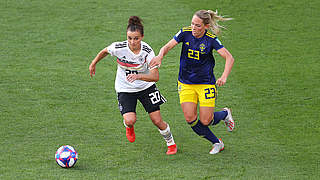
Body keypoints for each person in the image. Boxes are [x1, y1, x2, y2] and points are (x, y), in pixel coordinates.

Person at [149, 10, 235, 154]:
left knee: (206, 120)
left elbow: (229, 58)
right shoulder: (185, 32)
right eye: (192, 24)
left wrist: (224, 76)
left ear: (206, 26)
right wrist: (160, 56)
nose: (194, 28)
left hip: (205, 83)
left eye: (198, 26)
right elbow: (167, 46)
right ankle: (217, 142)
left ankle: (225, 114)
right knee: (190, 118)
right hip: (185, 83)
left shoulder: (211, 39)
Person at [89, 16, 177, 155]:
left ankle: (170, 143)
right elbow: (105, 51)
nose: (132, 42)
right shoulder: (119, 47)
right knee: (130, 120)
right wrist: (93, 63)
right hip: (125, 88)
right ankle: (128, 126)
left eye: (136, 38)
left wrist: (138, 76)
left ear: (142, 37)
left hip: (146, 87)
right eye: (129, 38)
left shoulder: (147, 52)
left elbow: (155, 77)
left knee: (157, 120)